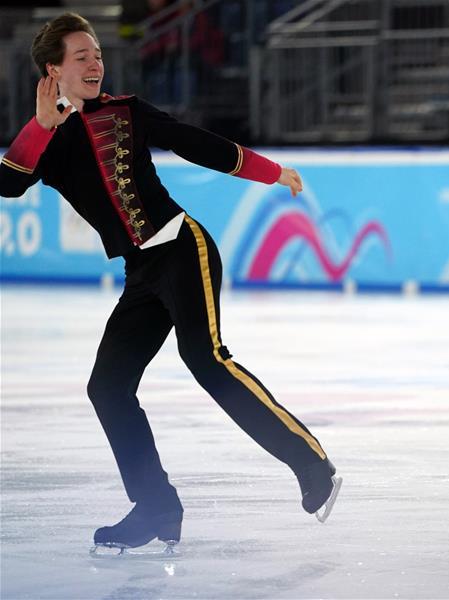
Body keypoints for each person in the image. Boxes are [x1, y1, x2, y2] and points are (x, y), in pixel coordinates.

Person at [0, 12, 341, 552]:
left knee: (206, 359)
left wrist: (270, 171)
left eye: (98, 54)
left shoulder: (127, 111)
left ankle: (312, 464)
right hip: (142, 272)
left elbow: (192, 141)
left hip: (184, 248)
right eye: (81, 56)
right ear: (53, 70)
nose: (95, 63)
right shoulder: (49, 141)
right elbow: (7, 184)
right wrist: (41, 125)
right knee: (107, 388)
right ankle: (156, 505)